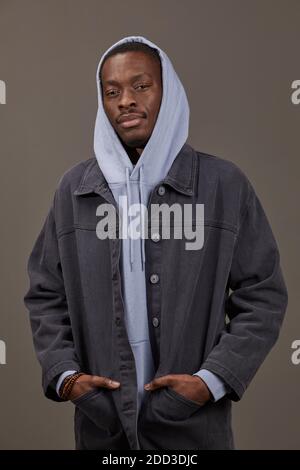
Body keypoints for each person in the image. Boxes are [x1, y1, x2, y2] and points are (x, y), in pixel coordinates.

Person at [24, 35, 288, 450]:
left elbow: (263, 293)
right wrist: (67, 378)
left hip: (193, 429)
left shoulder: (223, 185)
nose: (125, 100)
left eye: (140, 86)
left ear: (169, 92)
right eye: (111, 92)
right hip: (103, 424)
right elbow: (44, 293)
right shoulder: (75, 189)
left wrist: (211, 381)